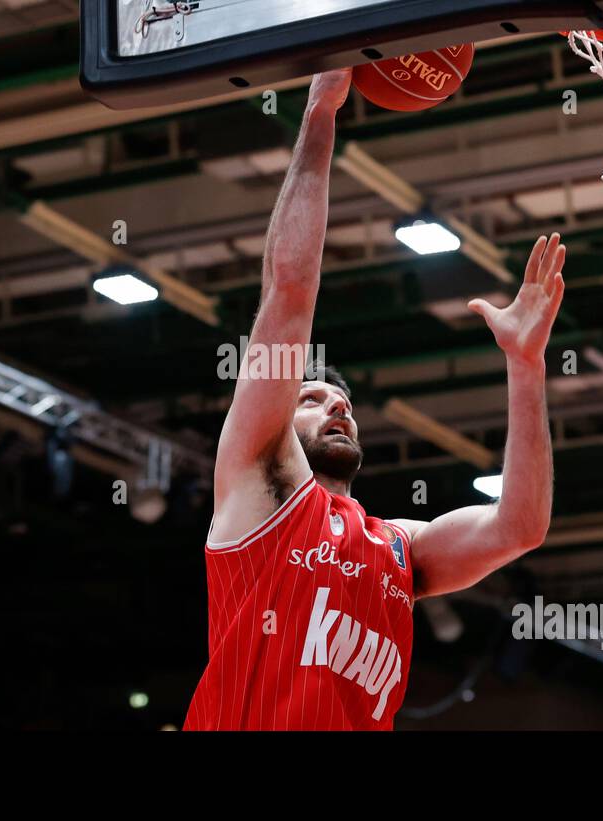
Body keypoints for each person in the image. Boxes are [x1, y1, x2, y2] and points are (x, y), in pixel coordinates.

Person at [184, 68, 565, 730]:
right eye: (311, 396)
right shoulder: (259, 481)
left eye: (343, 402)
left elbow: (521, 526)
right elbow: (290, 290)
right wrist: (322, 114)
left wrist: (526, 366)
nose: (336, 406)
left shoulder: (398, 549)